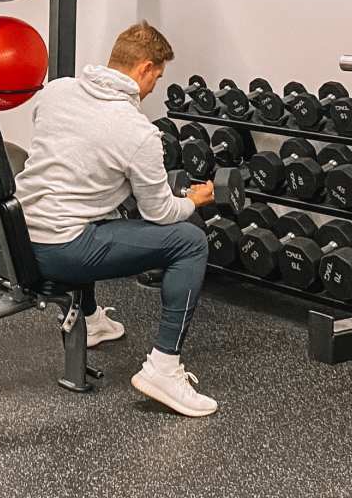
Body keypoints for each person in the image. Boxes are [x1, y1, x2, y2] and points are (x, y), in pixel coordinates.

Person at [14, 21, 219, 417]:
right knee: (190, 241)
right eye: (156, 77)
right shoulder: (137, 132)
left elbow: (63, 145)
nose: (153, 87)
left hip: (21, 235)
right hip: (62, 250)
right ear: (143, 68)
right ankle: (163, 368)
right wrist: (194, 200)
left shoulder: (56, 90)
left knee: (99, 208)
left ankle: (90, 319)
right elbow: (159, 212)